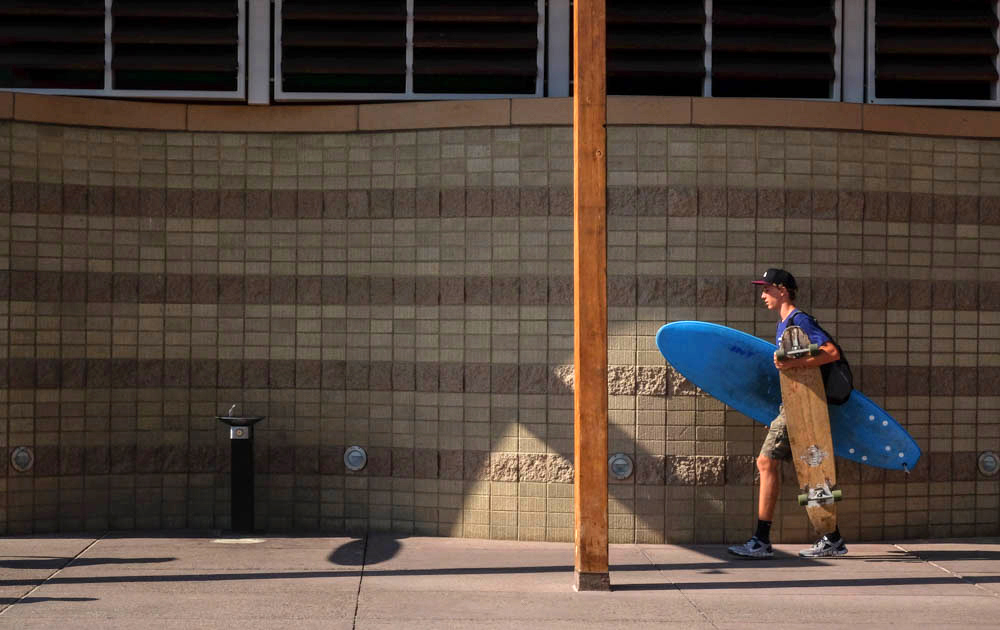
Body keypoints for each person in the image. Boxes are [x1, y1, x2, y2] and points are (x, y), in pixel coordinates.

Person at [727, 268, 848, 559]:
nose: (763, 295)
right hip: (795, 405)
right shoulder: (786, 324)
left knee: (766, 462)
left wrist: (794, 364)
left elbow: (831, 352)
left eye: (767, 289)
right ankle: (832, 539)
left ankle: (761, 540)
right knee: (809, 466)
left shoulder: (799, 319)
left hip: (804, 406)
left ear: (782, 290)